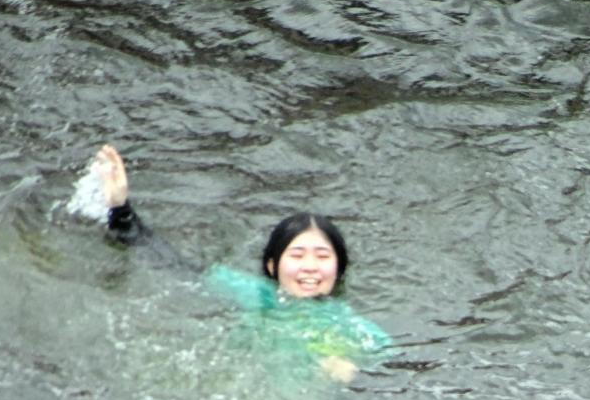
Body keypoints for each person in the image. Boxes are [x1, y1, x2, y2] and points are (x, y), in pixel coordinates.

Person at [94, 144, 395, 383]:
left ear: (339, 268)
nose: (310, 266)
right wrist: (122, 211)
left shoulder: (354, 325)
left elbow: (392, 368)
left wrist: (353, 370)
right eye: (297, 254)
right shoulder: (255, 294)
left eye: (323, 256)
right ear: (272, 267)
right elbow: (173, 265)